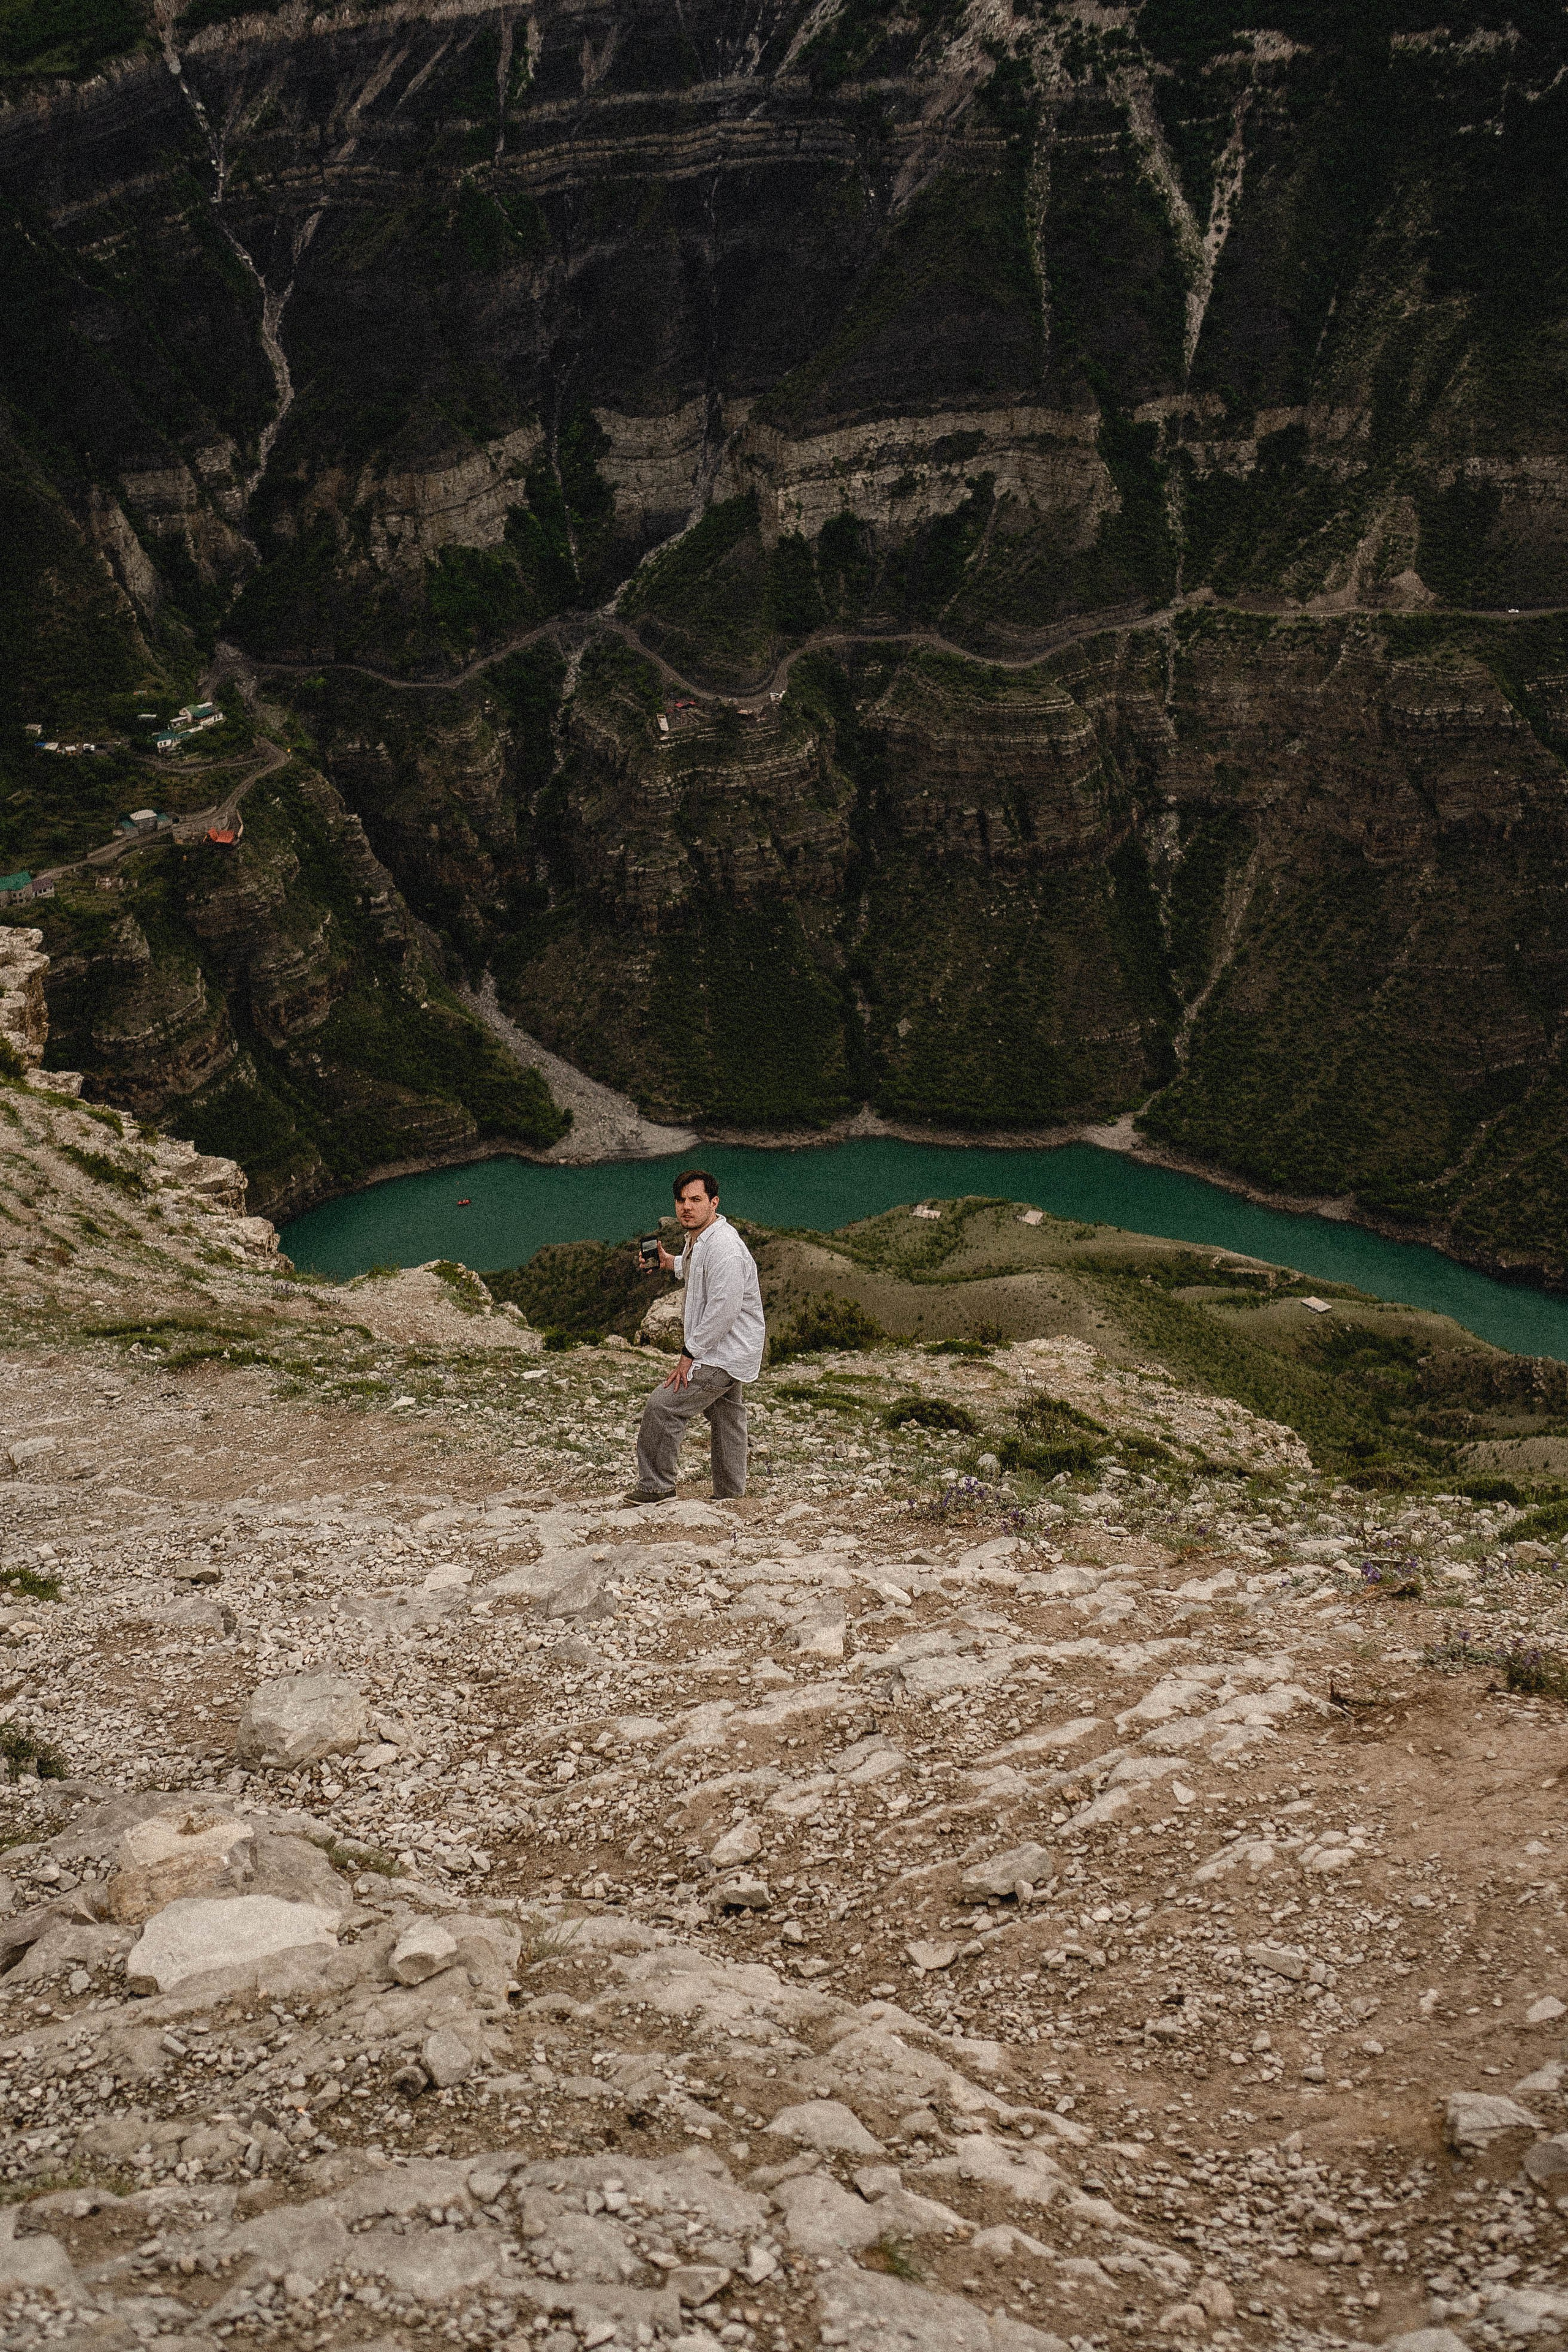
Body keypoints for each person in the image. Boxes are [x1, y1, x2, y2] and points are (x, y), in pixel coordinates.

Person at [627, 1169, 764, 1502]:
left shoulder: (725, 1248)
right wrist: (668, 1263)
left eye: (696, 1200)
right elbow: (697, 1269)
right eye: (681, 1200)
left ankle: (656, 1487)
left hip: (721, 1353)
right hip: (735, 1352)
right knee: (727, 1417)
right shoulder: (702, 1239)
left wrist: (689, 1356)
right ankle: (731, 1496)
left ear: (713, 1203)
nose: (686, 1207)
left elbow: (724, 1310)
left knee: (664, 1406)